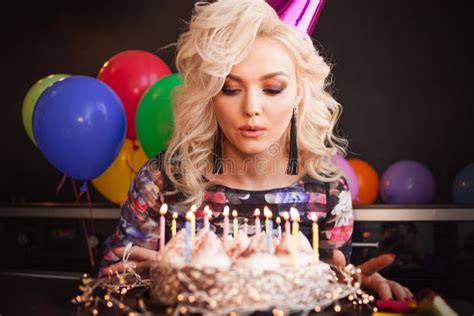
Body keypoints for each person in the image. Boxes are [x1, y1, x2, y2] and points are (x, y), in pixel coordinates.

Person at [99, 0, 413, 301]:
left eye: (272, 89)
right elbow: (108, 284)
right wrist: (148, 280)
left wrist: (352, 287)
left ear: (299, 94)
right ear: (209, 95)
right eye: (230, 89)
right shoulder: (162, 181)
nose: (251, 108)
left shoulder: (327, 191)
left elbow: (328, 292)